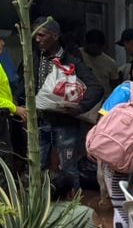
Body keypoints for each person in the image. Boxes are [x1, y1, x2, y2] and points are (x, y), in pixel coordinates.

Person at [31, 17, 103, 190]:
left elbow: (96, 87)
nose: (37, 39)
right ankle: (39, 208)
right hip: (39, 121)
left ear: (55, 36)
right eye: (35, 35)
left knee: (68, 167)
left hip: (64, 123)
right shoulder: (33, 59)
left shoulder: (71, 61)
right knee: (36, 166)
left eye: (42, 35)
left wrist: (80, 107)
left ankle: (72, 209)